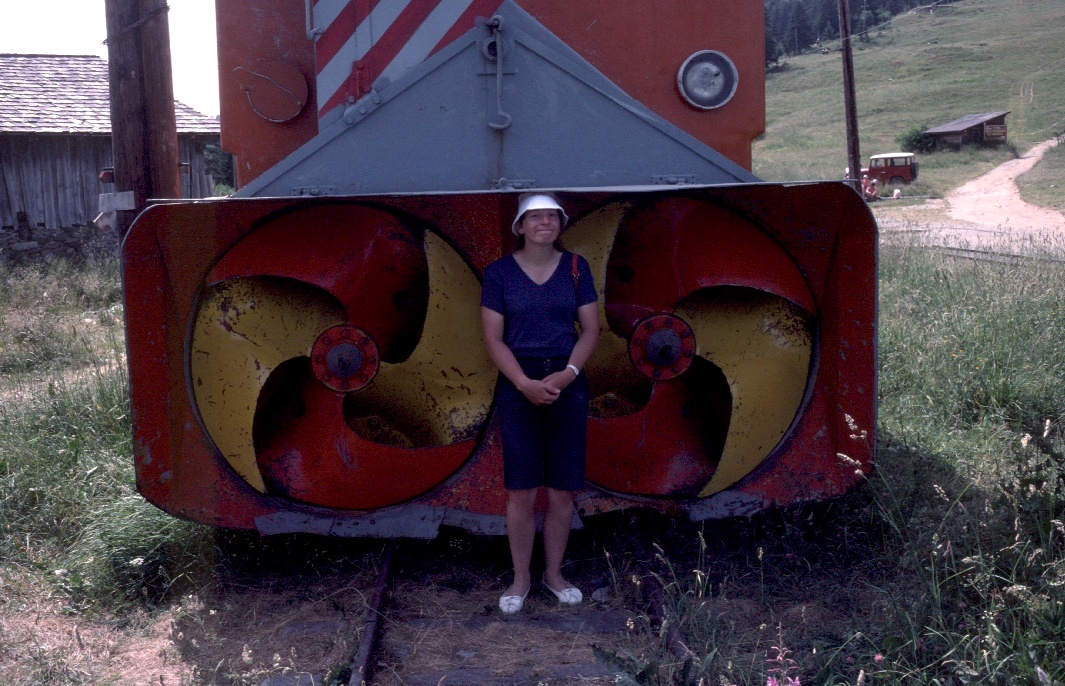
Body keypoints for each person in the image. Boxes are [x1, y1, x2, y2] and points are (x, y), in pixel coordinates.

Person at [480, 193, 600, 615]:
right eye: (536, 217)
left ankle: (554, 575)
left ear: (560, 224)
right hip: (519, 383)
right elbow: (493, 338)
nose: (544, 223)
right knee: (521, 490)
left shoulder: (576, 268)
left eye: (552, 216)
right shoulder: (499, 273)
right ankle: (520, 579)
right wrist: (522, 383)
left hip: (567, 380)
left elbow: (590, 330)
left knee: (562, 490)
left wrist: (569, 374)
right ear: (521, 226)